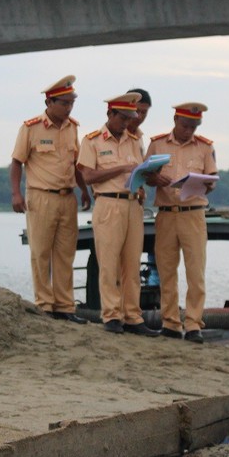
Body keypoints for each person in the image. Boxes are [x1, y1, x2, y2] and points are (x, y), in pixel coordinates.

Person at [10, 75, 91, 324]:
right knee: (41, 252)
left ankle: (65, 306)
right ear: (49, 102)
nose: (68, 108)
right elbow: (16, 162)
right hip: (41, 197)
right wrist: (16, 193)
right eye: (64, 103)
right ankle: (44, 306)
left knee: (65, 253)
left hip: (68, 198)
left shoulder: (73, 128)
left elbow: (76, 164)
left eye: (71, 104)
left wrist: (84, 190)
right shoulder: (31, 128)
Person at [77, 92, 159, 337]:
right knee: (109, 262)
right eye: (122, 118)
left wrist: (144, 178)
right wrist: (121, 168)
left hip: (133, 204)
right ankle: (111, 315)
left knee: (131, 263)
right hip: (108, 203)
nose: (126, 123)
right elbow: (88, 176)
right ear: (110, 114)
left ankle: (133, 316)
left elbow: (138, 171)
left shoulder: (134, 141)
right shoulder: (92, 141)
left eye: (129, 118)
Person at [145, 103, 218, 344]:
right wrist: (155, 178)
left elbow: (212, 179)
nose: (189, 130)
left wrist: (205, 183)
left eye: (194, 126)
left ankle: (194, 323)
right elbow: (145, 174)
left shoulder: (205, 147)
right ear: (175, 119)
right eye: (185, 125)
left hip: (193, 213)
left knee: (195, 271)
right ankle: (170, 322)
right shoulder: (157, 144)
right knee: (166, 269)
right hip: (166, 213)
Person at [126, 87, 152, 153]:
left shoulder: (139, 136)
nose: (139, 117)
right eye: (135, 111)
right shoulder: (115, 136)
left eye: (143, 112)